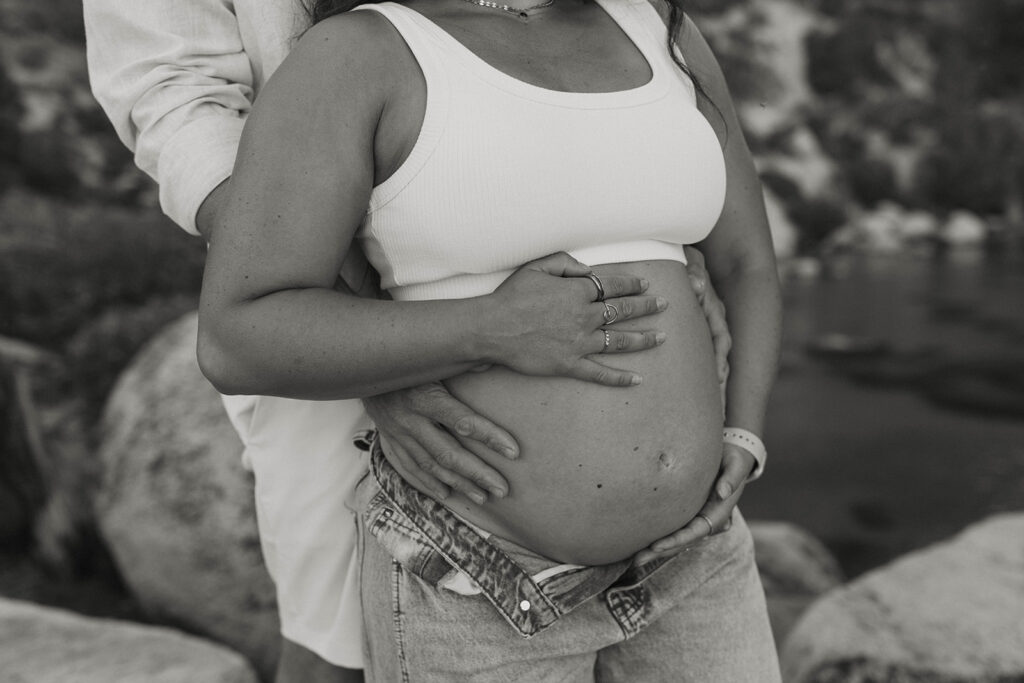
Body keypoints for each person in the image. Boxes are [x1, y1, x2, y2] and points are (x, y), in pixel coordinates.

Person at [83, 0, 741, 680]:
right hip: (316, 267)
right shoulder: (351, 56)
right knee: (335, 642)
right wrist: (375, 319)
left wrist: (657, 244)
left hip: (491, 217)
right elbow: (175, 94)